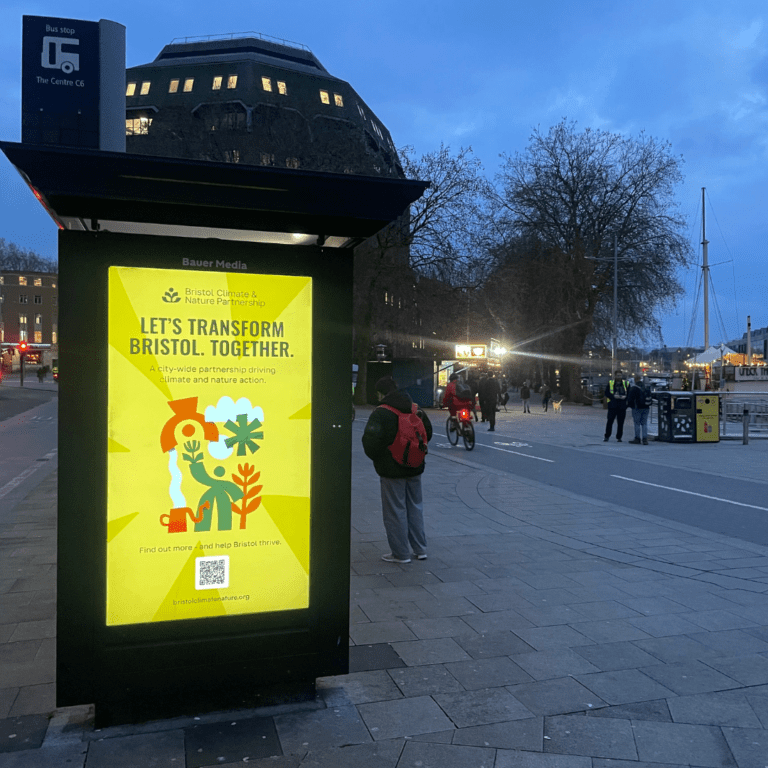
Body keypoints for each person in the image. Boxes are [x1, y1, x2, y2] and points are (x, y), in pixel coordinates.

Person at [362, 376, 432, 564]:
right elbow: (428, 433)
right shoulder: (416, 409)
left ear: (380, 393)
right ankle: (420, 549)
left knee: (395, 510)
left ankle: (401, 554)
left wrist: (382, 459)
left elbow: (370, 443)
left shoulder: (381, 413)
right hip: (415, 467)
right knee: (415, 507)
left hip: (392, 471)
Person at [604, 370, 629, 442]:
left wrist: (625, 398)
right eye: (618, 375)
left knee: (620, 423)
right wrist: (614, 396)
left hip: (622, 405)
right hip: (612, 405)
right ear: (615, 376)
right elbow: (606, 393)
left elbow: (629, 394)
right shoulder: (611, 383)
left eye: (620, 375)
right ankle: (607, 436)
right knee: (610, 421)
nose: (619, 377)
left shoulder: (626, 383)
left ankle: (619, 437)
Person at [627, 375, 652, 445]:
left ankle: (637, 438)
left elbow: (630, 399)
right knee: (644, 423)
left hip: (636, 408)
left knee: (637, 423)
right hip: (646, 408)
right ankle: (645, 439)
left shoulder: (634, 388)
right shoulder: (646, 387)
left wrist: (630, 406)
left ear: (635, 380)